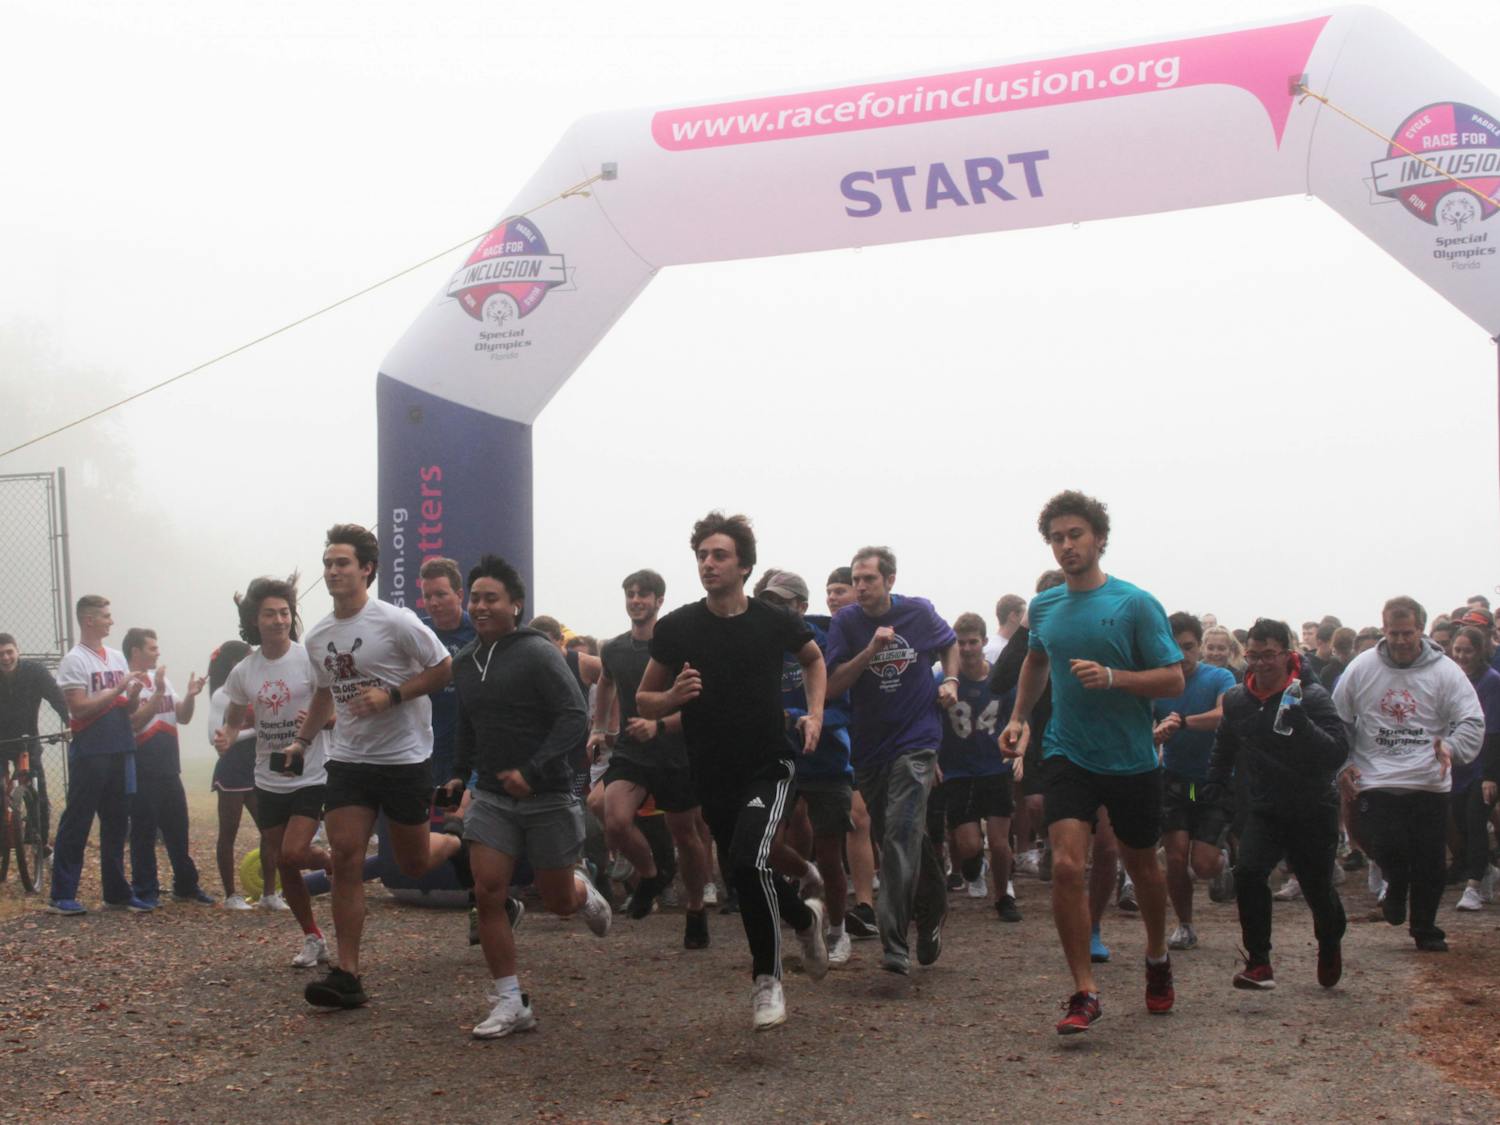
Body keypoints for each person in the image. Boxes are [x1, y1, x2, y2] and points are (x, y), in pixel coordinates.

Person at [637, 512, 829, 1031]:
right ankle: (804, 919)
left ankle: (766, 979)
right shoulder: (678, 627)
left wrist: (815, 712)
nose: (708, 563)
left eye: (719, 555)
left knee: (747, 859)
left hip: (770, 761)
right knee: (745, 872)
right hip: (712, 771)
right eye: (702, 555)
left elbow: (814, 660)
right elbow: (644, 699)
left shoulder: (772, 620)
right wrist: (673, 697)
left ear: (743, 565)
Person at [1001, 491, 1184, 1035]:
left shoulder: (1135, 604)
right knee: (1063, 866)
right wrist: (1019, 717)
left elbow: (1173, 678)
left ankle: (1156, 957)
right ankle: (1084, 989)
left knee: (1144, 867)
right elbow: (1037, 660)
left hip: (1130, 758)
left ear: (1099, 538)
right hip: (1066, 751)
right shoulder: (1046, 607)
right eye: (1057, 538)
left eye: (1075, 534)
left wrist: (1114, 678)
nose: (1066, 545)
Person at [291, 523, 462, 1008]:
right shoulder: (319, 636)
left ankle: (454, 840)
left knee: (410, 863)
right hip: (349, 760)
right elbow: (326, 693)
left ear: (367, 568)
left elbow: (444, 667)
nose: (332, 571)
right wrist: (303, 743)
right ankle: (348, 974)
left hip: (404, 758)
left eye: (342, 563)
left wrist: (393, 695)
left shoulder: (396, 621)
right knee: (345, 856)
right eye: (327, 563)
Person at [443, 554, 611, 1039]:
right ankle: (511, 1000)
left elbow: (573, 716)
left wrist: (533, 771)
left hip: (549, 794)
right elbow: (468, 725)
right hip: (493, 796)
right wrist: (458, 775)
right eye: (474, 598)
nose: (480, 606)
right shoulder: (465, 663)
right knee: (489, 891)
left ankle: (583, 891)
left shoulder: (538, 653)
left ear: (515, 605)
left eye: (491, 598)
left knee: (557, 900)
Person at [825, 545, 956, 976]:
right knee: (897, 835)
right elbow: (830, 687)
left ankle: (893, 941)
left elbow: (949, 641)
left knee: (901, 830)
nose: (860, 587)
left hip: (918, 737)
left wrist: (951, 679)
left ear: (890, 581)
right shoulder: (846, 624)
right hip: (871, 747)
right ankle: (933, 910)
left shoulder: (917, 613)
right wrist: (868, 651)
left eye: (869, 580)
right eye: (856, 580)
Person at [1334, 596, 1484, 952]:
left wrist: (1450, 747)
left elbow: (1472, 720)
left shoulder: (1444, 670)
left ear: (1421, 629)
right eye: (1393, 632)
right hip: (1377, 777)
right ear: (1383, 629)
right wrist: (1344, 763)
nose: (1400, 641)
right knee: (1388, 845)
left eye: (1408, 633)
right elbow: (1337, 718)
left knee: (1431, 861)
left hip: (1428, 779)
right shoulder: (1362, 667)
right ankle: (1396, 884)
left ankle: (1425, 929)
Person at [1206, 618, 1349, 989]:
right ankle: (1259, 962)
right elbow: (1224, 747)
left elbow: (1336, 753)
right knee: (1249, 873)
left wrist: (1302, 724)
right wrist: (1213, 787)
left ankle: (1330, 942)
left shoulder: (1312, 697)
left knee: (1317, 889)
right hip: (1264, 807)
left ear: (1287, 655)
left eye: (1269, 655)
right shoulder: (1238, 700)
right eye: (1253, 655)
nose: (1260, 663)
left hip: (1313, 808)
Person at [589, 568, 711, 946]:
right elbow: (606, 680)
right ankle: (651, 873)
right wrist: (598, 726)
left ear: (660, 601)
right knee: (613, 818)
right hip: (632, 749)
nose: (636, 601)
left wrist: (660, 725)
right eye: (631, 594)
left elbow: (697, 705)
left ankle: (695, 910)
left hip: (676, 751)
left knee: (685, 833)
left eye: (644, 595)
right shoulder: (613, 648)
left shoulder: (676, 648)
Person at [220, 575, 336, 967]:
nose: (279, 620)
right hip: (268, 775)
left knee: (293, 852)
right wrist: (228, 735)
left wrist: (321, 720)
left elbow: (338, 709)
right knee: (285, 860)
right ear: (254, 620)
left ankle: (336, 864)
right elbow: (235, 717)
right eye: (270, 614)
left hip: (311, 770)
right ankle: (312, 937)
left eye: (285, 612)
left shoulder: (309, 659)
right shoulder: (244, 671)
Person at [756, 568, 855, 964]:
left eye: (781, 603)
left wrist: (802, 715)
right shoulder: (758, 644)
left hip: (827, 758)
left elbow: (845, 705)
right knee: (768, 844)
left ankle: (838, 931)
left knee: (831, 852)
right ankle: (804, 874)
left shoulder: (826, 643)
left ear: (801, 606)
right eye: (767, 602)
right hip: (777, 759)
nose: (773, 610)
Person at [49, 595, 153, 915]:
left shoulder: (118, 656)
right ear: (89, 620)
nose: (111, 621)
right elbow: (78, 707)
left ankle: (116, 893)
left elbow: (128, 709)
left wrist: (132, 695)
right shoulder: (75, 660)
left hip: (121, 747)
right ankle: (62, 894)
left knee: (117, 823)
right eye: (106, 616)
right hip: (91, 749)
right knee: (78, 821)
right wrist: (119, 688)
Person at [1151, 612, 1235, 951]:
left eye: (1188, 647)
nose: (1182, 655)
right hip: (1177, 781)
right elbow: (1143, 725)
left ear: (1199, 647)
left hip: (1215, 780)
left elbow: (1224, 714)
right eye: (1174, 647)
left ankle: (1222, 861)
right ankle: (1185, 925)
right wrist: (1153, 736)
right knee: (1174, 856)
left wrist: (1182, 722)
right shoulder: (1157, 684)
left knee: (1202, 865)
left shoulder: (1220, 677)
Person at [939, 613, 1021, 922]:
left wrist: (1020, 754)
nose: (968, 648)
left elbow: (1019, 718)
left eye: (973, 642)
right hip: (958, 770)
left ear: (985, 642)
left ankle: (1003, 896)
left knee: (1000, 843)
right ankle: (972, 865)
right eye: (961, 643)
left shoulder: (1001, 680)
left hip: (994, 767)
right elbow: (930, 722)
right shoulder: (944, 681)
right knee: (970, 843)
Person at [122, 628, 213, 906]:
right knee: (144, 831)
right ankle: (145, 889)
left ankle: (185, 885)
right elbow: (134, 722)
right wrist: (158, 691)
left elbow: (182, 717)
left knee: (177, 828)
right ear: (135, 652)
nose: (158, 652)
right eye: (152, 648)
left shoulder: (161, 680)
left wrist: (191, 694)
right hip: (143, 767)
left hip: (169, 768)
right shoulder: (127, 682)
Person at [826, 566, 878, 940]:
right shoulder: (817, 632)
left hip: (867, 736)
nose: (833, 597)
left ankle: (867, 904)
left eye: (840, 590)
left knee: (861, 819)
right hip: (826, 739)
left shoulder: (869, 632)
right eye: (829, 591)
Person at [1449, 625, 1500, 911]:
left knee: (1474, 819)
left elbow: (1494, 731)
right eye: (1457, 650)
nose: (1462, 656)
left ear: (1481, 651)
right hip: (1460, 766)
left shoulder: (1492, 682)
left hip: (1486, 766)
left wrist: (1491, 776)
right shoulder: (1453, 679)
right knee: (1459, 821)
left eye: (1467, 651)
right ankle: (1486, 870)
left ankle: (1473, 886)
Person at [207, 640, 261, 908]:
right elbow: (214, 736)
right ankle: (231, 895)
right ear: (234, 664)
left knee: (270, 830)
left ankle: (272, 893)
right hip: (232, 769)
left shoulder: (254, 689)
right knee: (229, 832)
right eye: (249, 657)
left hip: (257, 767)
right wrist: (257, 729)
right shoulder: (221, 695)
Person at [0, 632, 68, 841]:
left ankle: (42, 843)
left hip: (28, 738)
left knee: (38, 790)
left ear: (17, 651)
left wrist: (71, 723)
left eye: (9, 652)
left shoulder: (35, 672)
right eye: (0, 654)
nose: (5, 658)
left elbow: (57, 697)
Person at [983, 594, 1026, 664]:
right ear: (1013, 616)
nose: (1026, 620)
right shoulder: (994, 650)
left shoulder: (1015, 646)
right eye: (1024, 615)